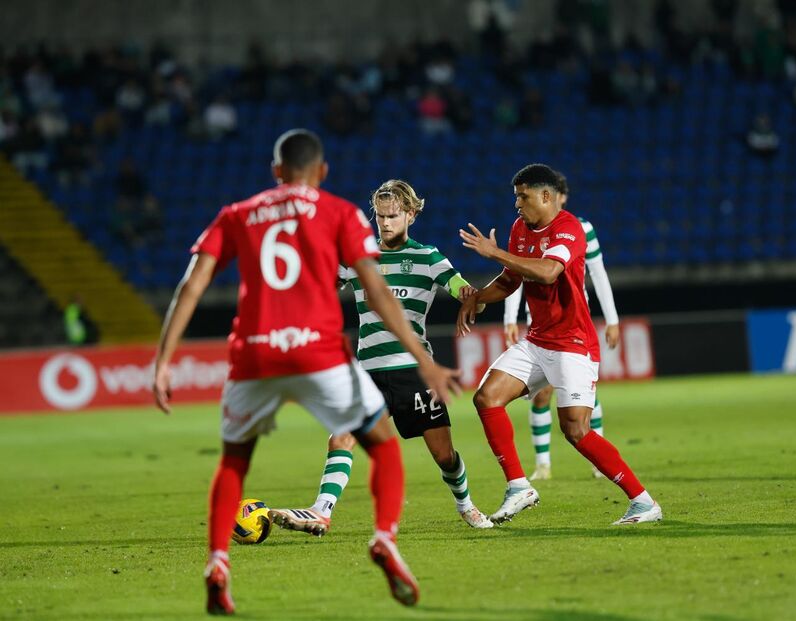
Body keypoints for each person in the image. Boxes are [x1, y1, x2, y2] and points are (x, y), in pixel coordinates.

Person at [151, 129, 459, 614]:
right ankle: (384, 539)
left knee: (234, 461)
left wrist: (164, 361)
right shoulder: (339, 212)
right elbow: (376, 290)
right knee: (381, 444)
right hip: (316, 352)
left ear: (276, 171)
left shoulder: (237, 214)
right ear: (321, 173)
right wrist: (427, 361)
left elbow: (193, 285)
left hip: (253, 353)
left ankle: (217, 563)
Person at [269, 179, 493, 535]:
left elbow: (460, 286)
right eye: (380, 216)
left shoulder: (428, 257)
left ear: (411, 215)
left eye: (393, 216)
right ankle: (321, 511)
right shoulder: (359, 257)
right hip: (368, 372)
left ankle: (466, 505)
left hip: (414, 374)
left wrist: (468, 296)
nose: (386, 223)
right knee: (341, 437)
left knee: (443, 455)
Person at [457, 163, 661, 526]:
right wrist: (478, 297)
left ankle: (643, 501)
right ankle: (519, 486)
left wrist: (495, 253)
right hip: (537, 340)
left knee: (575, 430)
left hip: (573, 343)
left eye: (524, 196)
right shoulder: (520, 228)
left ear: (546, 196)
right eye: (516, 197)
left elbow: (550, 271)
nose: (517, 204)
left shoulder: (570, 228)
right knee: (487, 398)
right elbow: (510, 279)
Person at [502, 172, 620, 481]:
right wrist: (510, 318)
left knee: (583, 399)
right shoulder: (525, 228)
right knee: (541, 396)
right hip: (538, 323)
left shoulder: (580, 229)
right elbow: (514, 273)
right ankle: (543, 464)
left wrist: (613, 319)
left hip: (571, 322)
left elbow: (599, 274)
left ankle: (599, 460)